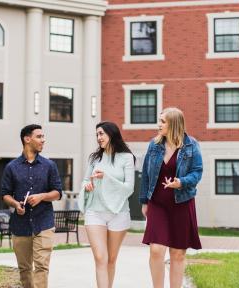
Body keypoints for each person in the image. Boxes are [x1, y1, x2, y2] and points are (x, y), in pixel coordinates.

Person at [139, 107, 203, 288]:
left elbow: (197, 172)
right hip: (158, 204)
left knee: (177, 253)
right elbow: (145, 175)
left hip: (182, 203)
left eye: (163, 122)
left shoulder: (191, 145)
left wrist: (181, 182)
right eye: (159, 121)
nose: (158, 125)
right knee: (156, 250)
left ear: (174, 123)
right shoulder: (154, 145)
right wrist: (144, 201)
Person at [1, 124, 63, 288]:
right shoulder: (11, 167)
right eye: (39, 137)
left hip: (44, 223)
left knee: (42, 266)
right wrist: (15, 204)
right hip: (20, 225)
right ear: (27, 139)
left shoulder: (50, 166)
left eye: (43, 137)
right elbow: (5, 194)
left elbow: (57, 192)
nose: (43, 140)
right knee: (25, 268)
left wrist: (42, 196)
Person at [78, 121, 135, 288]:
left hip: (119, 213)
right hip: (94, 212)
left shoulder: (126, 158)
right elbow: (85, 180)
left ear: (112, 134)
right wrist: (86, 186)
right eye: (96, 134)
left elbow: (129, 188)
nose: (98, 137)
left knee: (110, 260)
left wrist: (106, 177)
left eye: (101, 133)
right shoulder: (95, 158)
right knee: (100, 258)